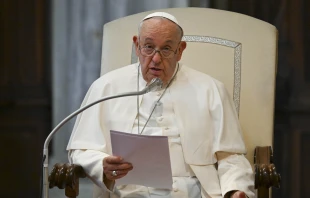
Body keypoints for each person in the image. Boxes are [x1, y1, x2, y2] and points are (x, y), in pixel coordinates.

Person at [67, 12, 255, 198]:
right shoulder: (106, 87)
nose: (156, 59)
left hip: (192, 192)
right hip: (128, 192)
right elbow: (81, 149)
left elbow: (231, 156)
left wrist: (234, 190)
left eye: (166, 49)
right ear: (136, 45)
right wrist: (102, 164)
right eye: (148, 47)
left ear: (180, 50)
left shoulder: (211, 89)